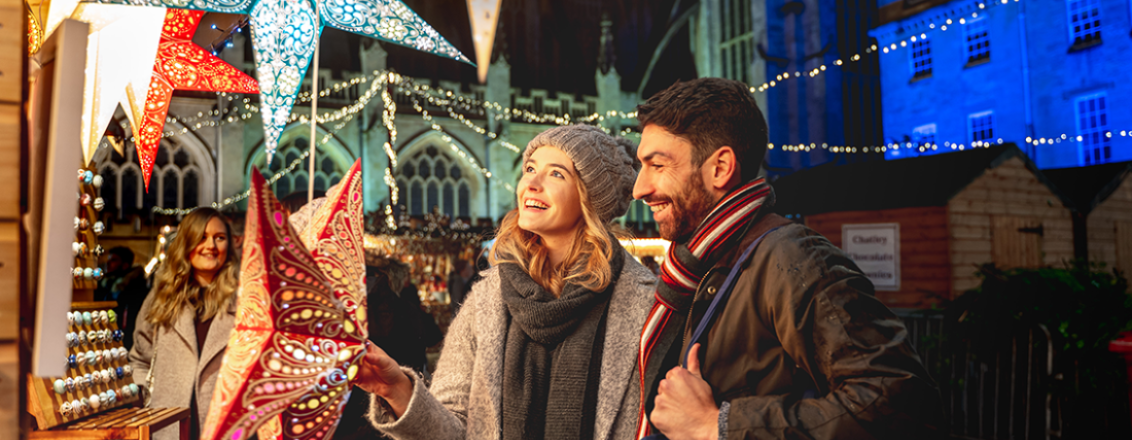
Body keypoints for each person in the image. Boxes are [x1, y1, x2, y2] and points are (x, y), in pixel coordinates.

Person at [632, 78, 941, 440]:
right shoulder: (695, 269)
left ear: (719, 168)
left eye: (657, 165)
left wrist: (716, 426)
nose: (640, 188)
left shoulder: (793, 257)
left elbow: (898, 401)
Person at [354, 124, 655, 440]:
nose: (532, 184)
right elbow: (453, 428)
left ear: (590, 198)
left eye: (557, 174)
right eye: (530, 168)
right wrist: (398, 389)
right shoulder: (489, 297)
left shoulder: (643, 302)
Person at [128, 208, 240, 440]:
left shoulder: (244, 300)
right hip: (168, 426)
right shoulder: (161, 298)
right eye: (201, 237)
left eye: (219, 238)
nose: (211, 245)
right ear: (187, 242)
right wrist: (147, 399)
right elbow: (140, 357)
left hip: (225, 426)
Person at [96, 246, 149, 350]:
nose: (108, 263)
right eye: (109, 259)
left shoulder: (136, 288)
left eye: (114, 260)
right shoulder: (105, 285)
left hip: (126, 343)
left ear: (125, 265)